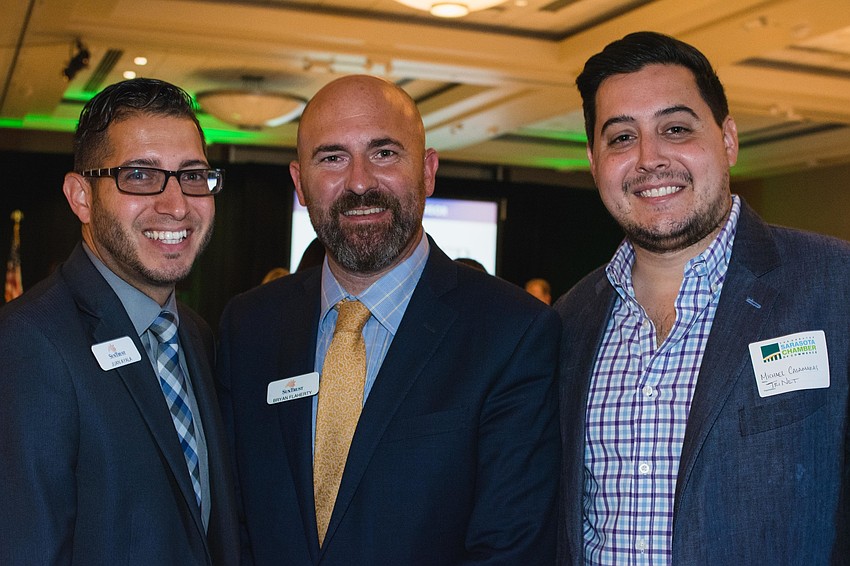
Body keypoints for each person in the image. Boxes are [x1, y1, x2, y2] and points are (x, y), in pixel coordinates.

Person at [217, 74, 560, 565]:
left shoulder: (512, 334)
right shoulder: (248, 327)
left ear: (428, 170)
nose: (359, 181)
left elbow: (509, 549)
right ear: (299, 183)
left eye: (384, 153)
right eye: (332, 158)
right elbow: (233, 528)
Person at [555, 31, 850, 565]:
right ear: (595, 163)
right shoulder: (568, 323)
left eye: (675, 128)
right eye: (621, 138)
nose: (650, 158)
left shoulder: (836, 286)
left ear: (728, 139)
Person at [0, 78, 238, 564]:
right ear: (80, 196)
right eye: (140, 175)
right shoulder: (28, 342)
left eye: (192, 175)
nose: (176, 205)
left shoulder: (195, 332)